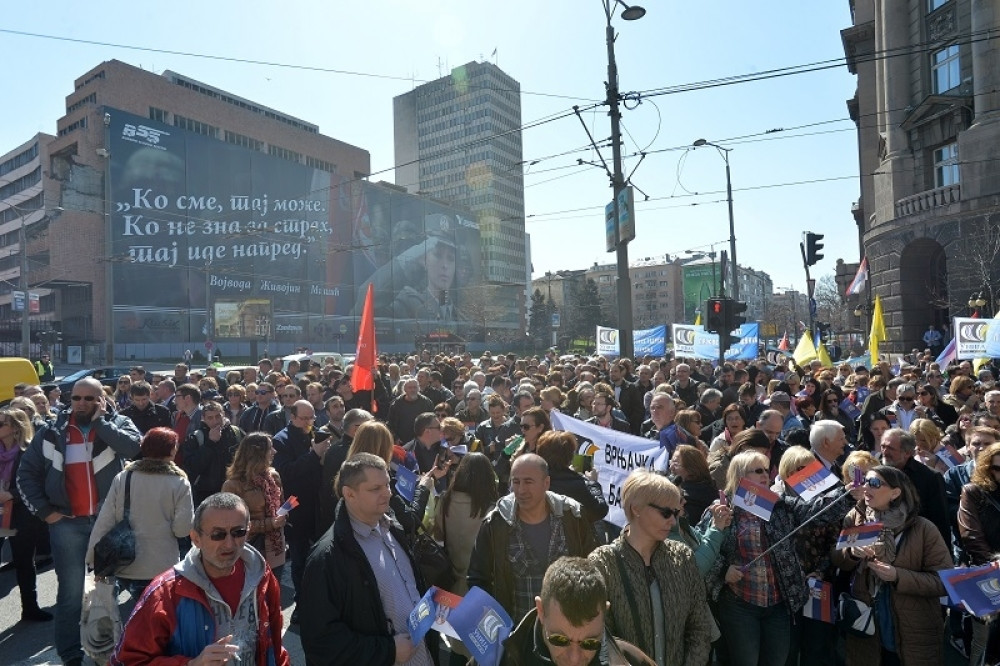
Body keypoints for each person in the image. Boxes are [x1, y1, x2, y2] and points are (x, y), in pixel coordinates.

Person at [16, 378, 142, 666]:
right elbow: (26, 474)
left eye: (89, 398)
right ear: (69, 400)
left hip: (108, 523)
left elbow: (135, 449)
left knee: (114, 589)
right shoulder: (50, 431)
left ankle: (116, 649)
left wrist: (102, 424)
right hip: (66, 524)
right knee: (71, 593)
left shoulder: (119, 423)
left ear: (102, 400)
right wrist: (45, 511)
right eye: (76, 398)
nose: (82, 403)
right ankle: (71, 654)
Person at [711, 450, 855, 666]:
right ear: (740, 475)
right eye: (757, 471)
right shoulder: (723, 508)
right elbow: (703, 546)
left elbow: (814, 511)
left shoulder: (777, 502)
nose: (765, 475)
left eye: (767, 471)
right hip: (740, 604)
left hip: (778, 604)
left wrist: (848, 493)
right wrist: (724, 570)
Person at [111, 492, 289, 666]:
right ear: (196, 538)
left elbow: (274, 643)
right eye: (218, 534)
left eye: (238, 532)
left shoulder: (261, 575)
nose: (229, 543)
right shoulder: (165, 594)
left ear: (248, 531)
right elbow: (127, 660)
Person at [299, 453, 435, 666]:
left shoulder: (392, 527)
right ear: (349, 494)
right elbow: (320, 642)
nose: (387, 494)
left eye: (388, 485)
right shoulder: (327, 557)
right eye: (375, 489)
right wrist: (387, 652)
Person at [588, 470, 713, 666]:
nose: (672, 521)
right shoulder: (603, 562)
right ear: (636, 508)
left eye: (676, 513)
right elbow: (602, 637)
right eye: (666, 513)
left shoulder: (682, 557)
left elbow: (699, 626)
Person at [832, 466, 951, 666]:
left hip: (912, 627)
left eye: (875, 483)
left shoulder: (923, 529)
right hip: (867, 623)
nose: (866, 487)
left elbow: (943, 581)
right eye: (866, 481)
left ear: (895, 493)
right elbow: (837, 558)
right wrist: (851, 553)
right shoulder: (856, 517)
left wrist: (897, 576)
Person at [468, 453, 598, 621]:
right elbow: (478, 578)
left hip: (569, 629)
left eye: (528, 482)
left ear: (546, 483)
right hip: (518, 635)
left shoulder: (572, 516)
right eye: (516, 482)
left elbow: (592, 567)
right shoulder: (496, 523)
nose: (521, 490)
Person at [86, 427, 193, 621]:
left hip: (125, 561)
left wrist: (93, 558)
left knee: (135, 617)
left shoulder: (124, 477)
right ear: (171, 451)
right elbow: (182, 529)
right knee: (159, 618)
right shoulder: (179, 482)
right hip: (161, 564)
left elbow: (106, 519)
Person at [492, 555, 655, 666]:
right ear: (541, 611)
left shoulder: (632, 662)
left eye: (590, 643)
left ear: (605, 614)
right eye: (559, 640)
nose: (574, 659)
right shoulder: (497, 659)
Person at [0, 407, 52, 622]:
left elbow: (37, 485)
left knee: (24, 562)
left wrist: (9, 494)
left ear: (14, 428)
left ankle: (30, 608)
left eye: (1, 423)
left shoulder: (29, 453)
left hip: (22, 515)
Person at [433, 451, 499, 599]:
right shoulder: (492, 510)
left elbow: (438, 534)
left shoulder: (445, 501)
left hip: (450, 586)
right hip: (480, 591)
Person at [221, 432, 287, 577]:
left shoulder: (273, 477)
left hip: (276, 549)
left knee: (273, 593)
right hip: (250, 549)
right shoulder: (233, 485)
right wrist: (269, 524)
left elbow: (280, 504)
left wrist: (283, 514)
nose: (274, 452)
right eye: (270, 448)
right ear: (258, 453)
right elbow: (231, 525)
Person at [957, 441, 1000, 665]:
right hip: (986, 573)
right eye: (997, 468)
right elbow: (970, 536)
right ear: (987, 468)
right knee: (983, 644)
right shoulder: (973, 492)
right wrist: (995, 564)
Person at [536, 431, 609, 525]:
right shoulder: (578, 485)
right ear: (570, 456)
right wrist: (592, 483)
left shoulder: (535, 480)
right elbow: (599, 510)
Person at [181, 400, 245, 506]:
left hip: (234, 489)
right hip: (206, 493)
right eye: (210, 418)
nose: (215, 421)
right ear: (204, 419)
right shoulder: (196, 438)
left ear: (223, 415)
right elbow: (192, 467)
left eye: (217, 416)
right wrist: (210, 443)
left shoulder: (236, 433)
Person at [669, 443, 718, 523]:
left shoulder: (688, 501)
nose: (671, 467)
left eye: (676, 464)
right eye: (671, 462)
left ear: (691, 469)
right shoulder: (710, 487)